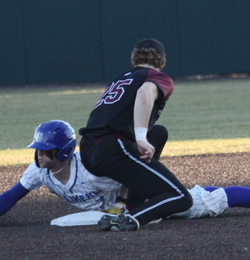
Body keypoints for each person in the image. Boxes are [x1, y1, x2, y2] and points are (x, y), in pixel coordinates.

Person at [0, 120, 250, 230]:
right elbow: (11, 196)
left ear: (59, 151)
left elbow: (130, 172)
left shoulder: (89, 163)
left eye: (43, 150)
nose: (37, 155)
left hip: (136, 197)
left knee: (202, 203)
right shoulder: (40, 172)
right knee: (201, 198)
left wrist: (124, 204)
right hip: (124, 207)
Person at [77, 38, 192, 231]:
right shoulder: (158, 77)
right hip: (112, 147)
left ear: (134, 58)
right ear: (162, 61)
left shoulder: (120, 77)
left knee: (158, 132)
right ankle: (131, 217)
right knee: (180, 197)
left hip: (88, 150)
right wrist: (139, 137)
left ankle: (130, 204)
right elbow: (144, 94)